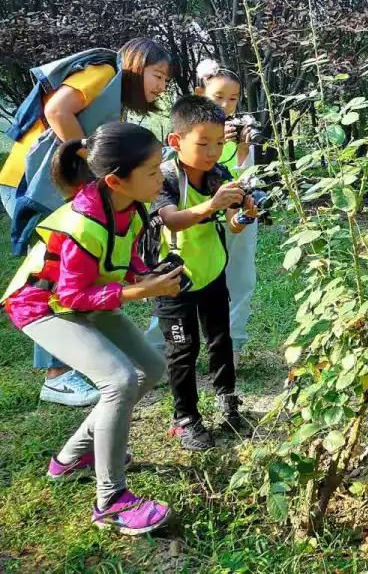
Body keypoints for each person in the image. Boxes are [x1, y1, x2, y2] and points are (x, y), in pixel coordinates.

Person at [1, 122, 180, 534]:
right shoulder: (83, 223)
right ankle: (111, 501)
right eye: (153, 171)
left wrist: (145, 274)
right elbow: (71, 296)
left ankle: (70, 459)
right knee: (119, 379)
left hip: (85, 294)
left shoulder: (130, 206)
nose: (161, 177)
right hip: (42, 306)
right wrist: (140, 291)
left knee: (151, 368)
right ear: (116, 180)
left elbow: (124, 257)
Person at [1, 38, 172, 408]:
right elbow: (58, 110)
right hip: (30, 181)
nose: (161, 86)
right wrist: (89, 166)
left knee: (77, 267)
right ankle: (58, 375)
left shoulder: (115, 98)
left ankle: (82, 357)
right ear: (136, 65)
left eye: (165, 80)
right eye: (157, 75)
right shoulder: (106, 71)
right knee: (54, 268)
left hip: (53, 182)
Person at [153, 95, 257, 451]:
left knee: (220, 339)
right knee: (183, 349)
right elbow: (170, 219)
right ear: (176, 140)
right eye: (203, 144)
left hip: (212, 272)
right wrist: (212, 204)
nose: (213, 152)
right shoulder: (163, 177)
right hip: (173, 281)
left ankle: (227, 400)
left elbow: (232, 224)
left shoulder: (219, 175)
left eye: (218, 143)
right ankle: (185, 419)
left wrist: (244, 215)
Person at [145, 59, 259, 353]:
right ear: (200, 93)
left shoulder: (242, 132)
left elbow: (246, 181)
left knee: (240, 277)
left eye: (233, 98)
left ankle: (232, 344)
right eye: (218, 96)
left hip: (232, 215)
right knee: (179, 281)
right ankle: (158, 345)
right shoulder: (189, 129)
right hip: (193, 225)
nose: (226, 105)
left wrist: (243, 150)